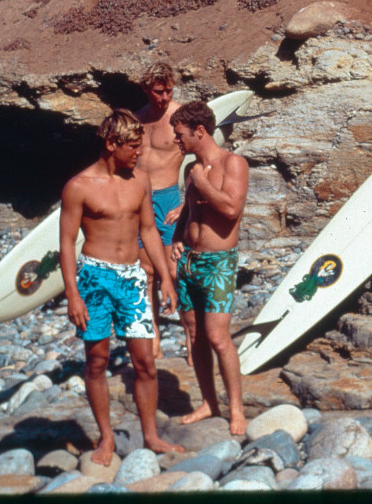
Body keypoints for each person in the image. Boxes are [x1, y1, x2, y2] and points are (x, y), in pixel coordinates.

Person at [59, 109, 185, 465]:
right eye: (132, 147)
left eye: (140, 146)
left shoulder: (140, 180)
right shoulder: (79, 186)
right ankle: (106, 439)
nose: (139, 153)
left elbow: (148, 231)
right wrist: (73, 294)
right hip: (94, 278)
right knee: (97, 361)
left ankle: (151, 436)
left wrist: (166, 280)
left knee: (145, 362)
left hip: (132, 277)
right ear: (112, 143)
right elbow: (66, 243)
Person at [169, 100, 249, 436]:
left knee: (218, 337)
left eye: (180, 134)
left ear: (199, 131)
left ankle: (236, 409)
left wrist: (202, 184)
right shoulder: (190, 170)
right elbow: (189, 212)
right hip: (188, 260)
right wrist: (176, 236)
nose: (177, 140)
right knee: (195, 336)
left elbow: (231, 209)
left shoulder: (234, 163)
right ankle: (208, 402)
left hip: (218, 263)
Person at [133, 62, 188, 360]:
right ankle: (153, 338)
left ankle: (192, 339)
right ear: (145, 89)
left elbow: (205, 160)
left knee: (174, 271)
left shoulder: (180, 117)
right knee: (147, 273)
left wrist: (186, 202)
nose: (164, 97)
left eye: (168, 90)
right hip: (141, 203)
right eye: (158, 91)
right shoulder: (136, 121)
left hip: (168, 199)